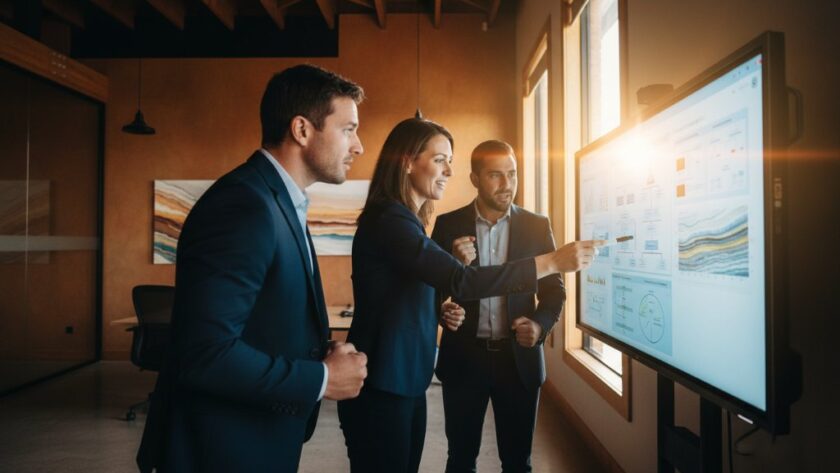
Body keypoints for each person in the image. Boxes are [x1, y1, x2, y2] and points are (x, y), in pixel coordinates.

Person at [136, 64, 369, 473]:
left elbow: (260, 323)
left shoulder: (276, 200)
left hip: (254, 439)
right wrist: (320, 379)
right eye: (348, 129)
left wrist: (318, 354)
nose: (359, 146)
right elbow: (205, 353)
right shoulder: (244, 206)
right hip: (220, 451)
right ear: (302, 130)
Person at [337, 118, 601, 473]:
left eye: (450, 161)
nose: (449, 170)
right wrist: (551, 261)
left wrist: (442, 305)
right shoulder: (392, 220)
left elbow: (413, 293)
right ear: (408, 161)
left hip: (408, 380)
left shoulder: (408, 220)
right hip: (389, 382)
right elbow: (460, 282)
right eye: (440, 159)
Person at [432, 140, 599, 472]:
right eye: (495, 175)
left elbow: (555, 292)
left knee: (518, 462)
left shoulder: (537, 225)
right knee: (460, 458)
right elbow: (430, 289)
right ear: (475, 179)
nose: (507, 185)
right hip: (465, 359)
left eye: (512, 174)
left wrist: (539, 325)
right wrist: (442, 310)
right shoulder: (448, 224)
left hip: (518, 362)